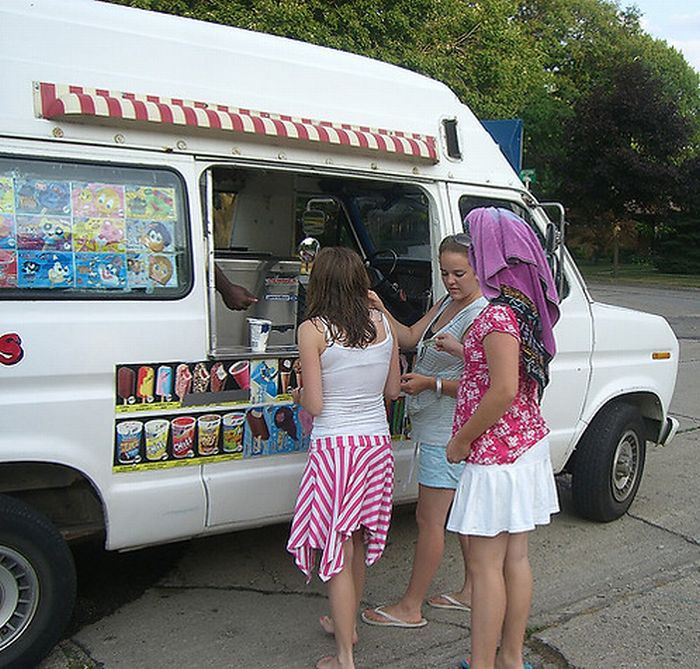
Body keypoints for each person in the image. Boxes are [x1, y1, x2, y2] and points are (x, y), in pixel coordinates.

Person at [437, 207, 560, 669]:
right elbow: (507, 376)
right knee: (515, 559)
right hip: (525, 447)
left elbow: (504, 389)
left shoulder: (495, 316)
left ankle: (484, 665)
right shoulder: (523, 311)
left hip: (495, 454)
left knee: (486, 565)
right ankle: (510, 658)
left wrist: (462, 440)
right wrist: (466, 351)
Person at [360, 234, 488, 629]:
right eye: (445, 271)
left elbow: (489, 379)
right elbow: (412, 337)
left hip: (449, 430)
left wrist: (432, 382)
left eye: (460, 273)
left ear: (481, 268)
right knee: (463, 516)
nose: (451, 281)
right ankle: (470, 592)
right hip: (434, 422)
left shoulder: (483, 314)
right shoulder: (448, 304)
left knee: (430, 520)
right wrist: (381, 308)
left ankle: (411, 607)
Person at [286, 247, 401, 669]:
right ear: (359, 282)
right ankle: (347, 627)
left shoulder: (312, 330)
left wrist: (298, 393)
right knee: (357, 539)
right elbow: (392, 392)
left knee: (337, 547)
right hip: (375, 447)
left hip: (336, 448)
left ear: (319, 283)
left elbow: (314, 404)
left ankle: (345, 658)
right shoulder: (382, 324)